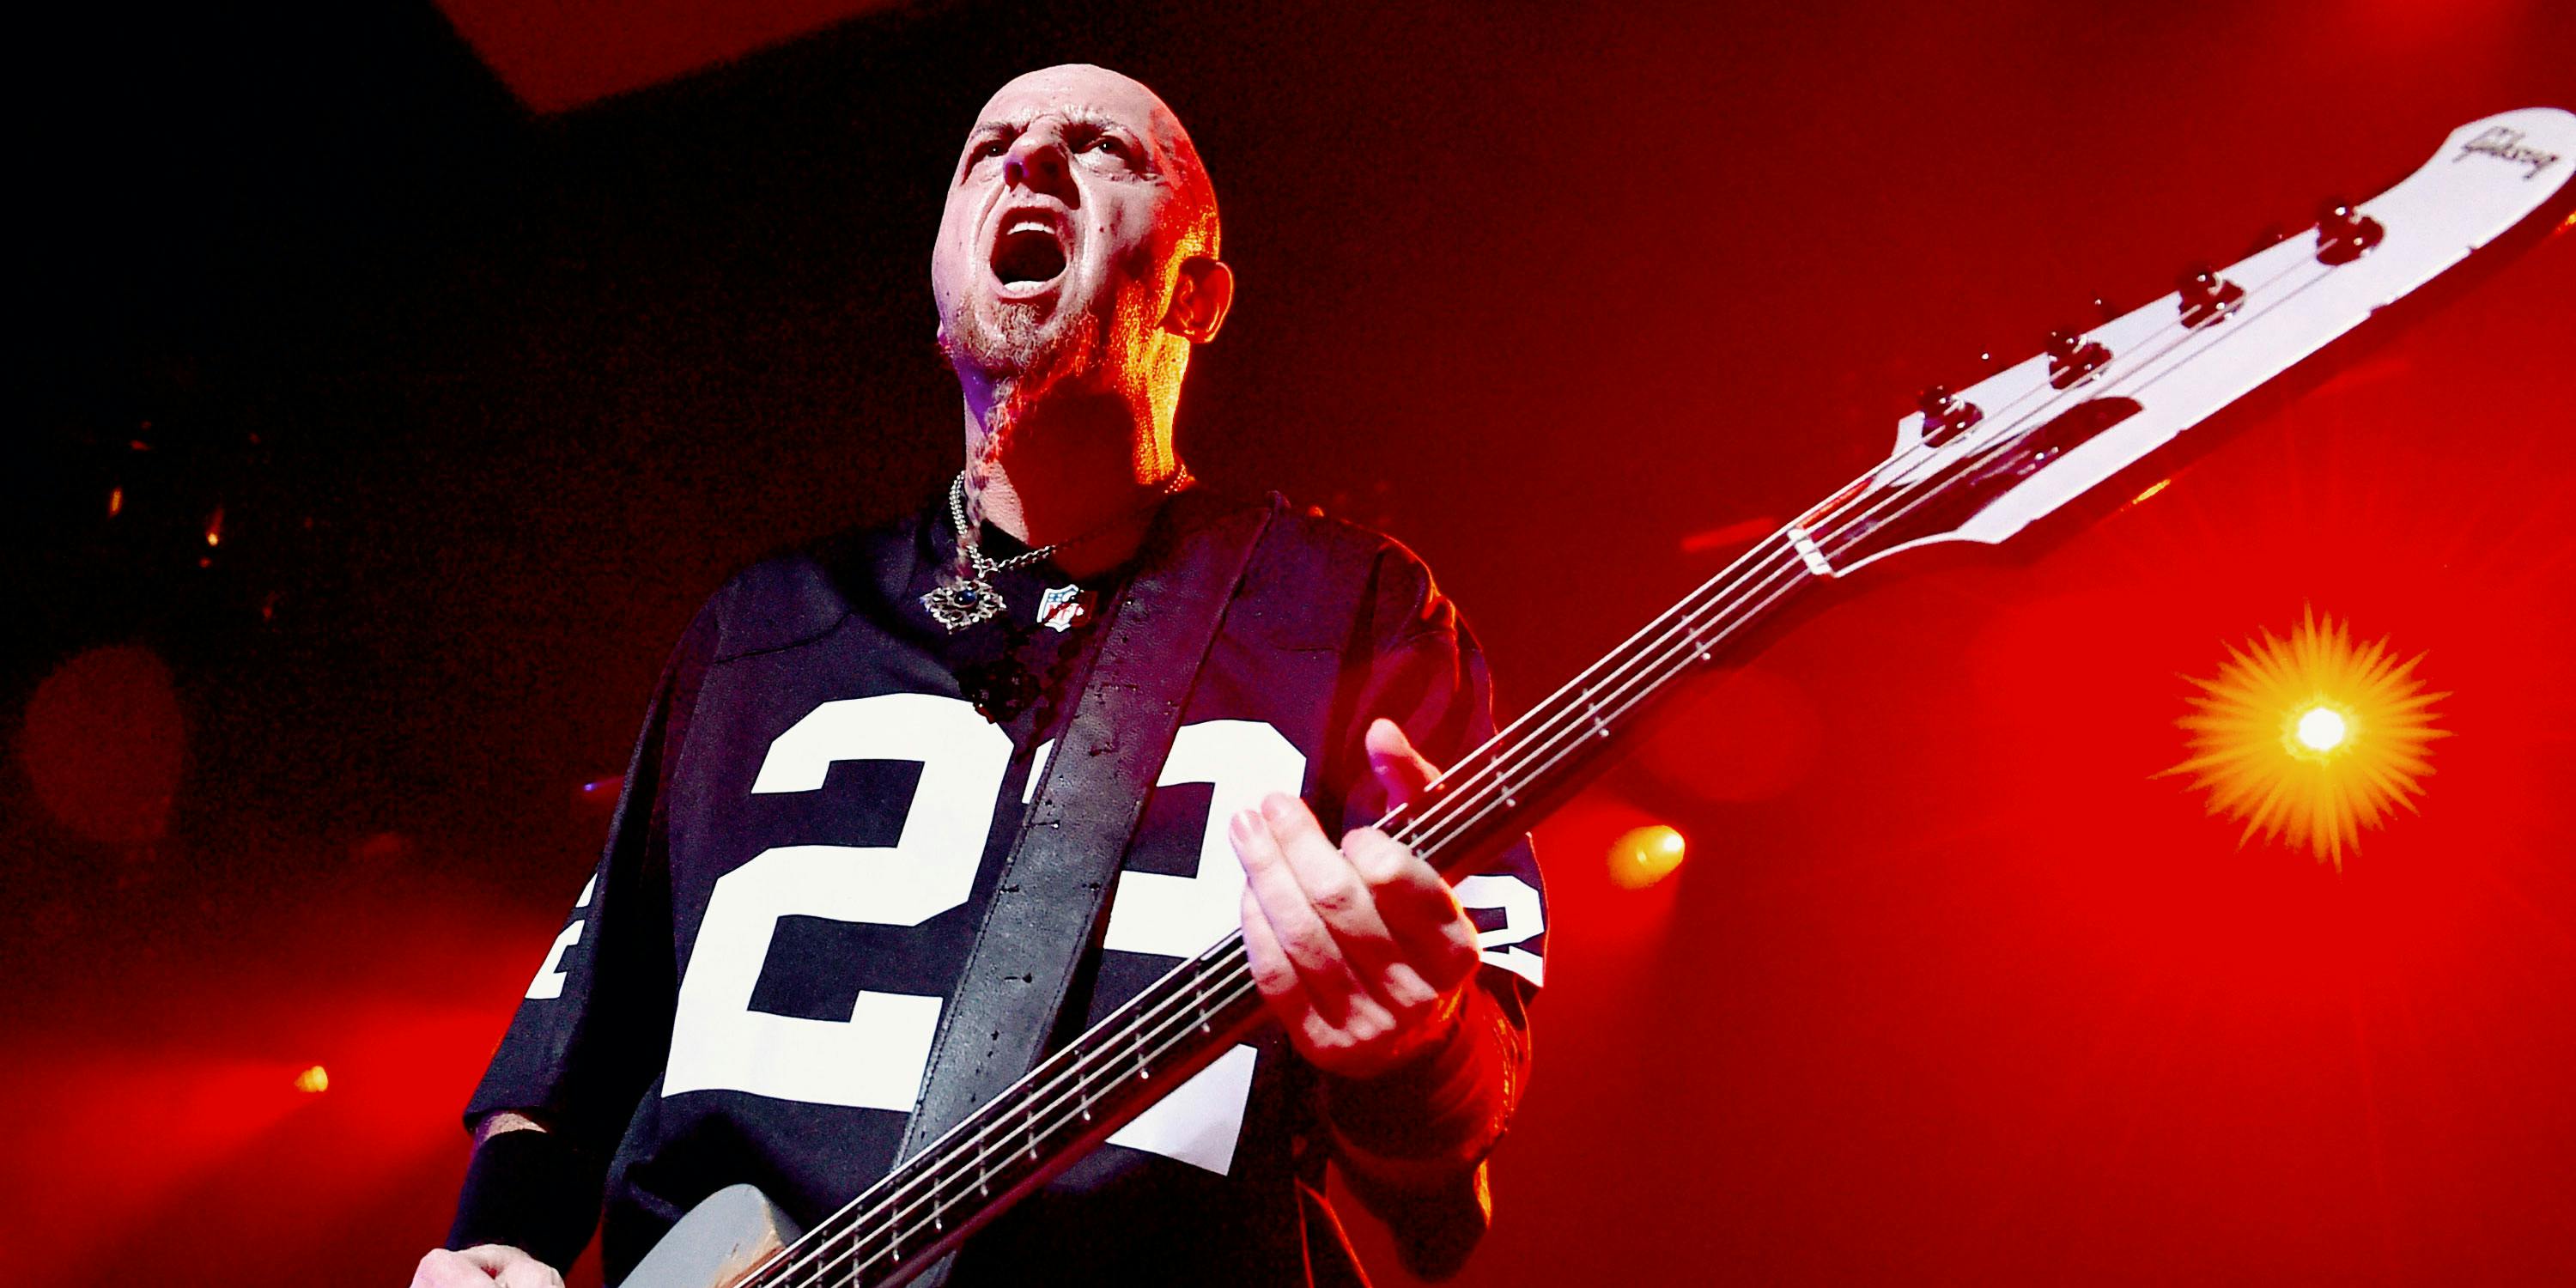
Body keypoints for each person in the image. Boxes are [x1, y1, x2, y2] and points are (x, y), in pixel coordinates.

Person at [411, 64, 1546, 1288]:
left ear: (1199, 294)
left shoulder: (1349, 608)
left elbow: (1455, 1133)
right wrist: (493, 1248)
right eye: (986, 148)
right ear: (942, 277)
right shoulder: (764, 625)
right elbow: (582, 1035)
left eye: (1102, 147)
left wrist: (1419, 1043)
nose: (1030, 158)